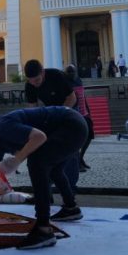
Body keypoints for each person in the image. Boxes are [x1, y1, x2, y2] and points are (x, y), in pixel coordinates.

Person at [0, 106, 87, 249]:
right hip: (69, 126)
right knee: (54, 170)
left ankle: (43, 229)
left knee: (37, 163)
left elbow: (39, 137)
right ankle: (71, 208)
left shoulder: (4, 127)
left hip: (71, 125)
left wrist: (16, 159)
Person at [24, 59, 79, 188]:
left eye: (37, 80)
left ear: (42, 72)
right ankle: (45, 189)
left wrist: (61, 115)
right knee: (46, 149)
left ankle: (71, 187)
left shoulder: (56, 76)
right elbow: (33, 108)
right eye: (31, 81)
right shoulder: (30, 85)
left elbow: (72, 98)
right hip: (51, 113)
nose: (34, 84)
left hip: (70, 110)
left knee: (70, 148)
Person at [65, 65, 95, 172]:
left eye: (72, 72)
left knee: (90, 135)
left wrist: (88, 110)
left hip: (84, 112)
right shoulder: (65, 83)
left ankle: (81, 158)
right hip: (73, 114)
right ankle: (77, 162)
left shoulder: (78, 80)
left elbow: (83, 96)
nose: (71, 74)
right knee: (76, 139)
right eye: (69, 72)